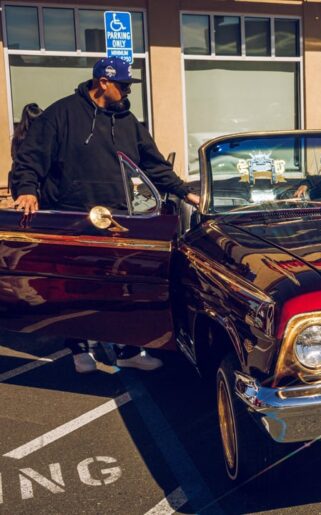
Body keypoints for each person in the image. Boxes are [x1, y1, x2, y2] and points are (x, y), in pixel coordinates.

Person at [10, 57, 200, 373]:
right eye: (123, 85)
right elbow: (30, 159)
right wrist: (27, 190)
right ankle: (81, 349)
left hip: (118, 219)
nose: (128, 92)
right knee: (76, 289)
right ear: (103, 82)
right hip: (72, 217)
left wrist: (185, 192)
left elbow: (154, 164)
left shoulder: (128, 121)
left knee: (121, 288)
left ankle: (128, 350)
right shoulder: (61, 114)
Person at [8, 103, 43, 198]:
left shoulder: (17, 137)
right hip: (30, 182)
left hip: (17, 179)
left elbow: (14, 156)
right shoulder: (34, 138)